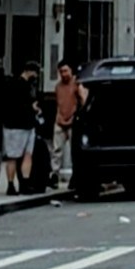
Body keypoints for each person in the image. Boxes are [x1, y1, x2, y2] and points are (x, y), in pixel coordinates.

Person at [49, 59, 88, 195]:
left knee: (74, 151)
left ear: (71, 71)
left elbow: (83, 100)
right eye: (61, 72)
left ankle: (76, 176)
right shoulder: (58, 87)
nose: (63, 74)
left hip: (73, 121)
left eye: (65, 71)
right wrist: (58, 117)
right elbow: (58, 103)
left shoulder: (77, 83)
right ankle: (54, 175)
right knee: (56, 150)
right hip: (60, 120)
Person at [1, 64, 39, 196]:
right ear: (30, 72)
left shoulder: (10, 85)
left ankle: (11, 185)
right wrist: (33, 108)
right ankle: (24, 184)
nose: (36, 76)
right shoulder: (25, 87)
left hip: (13, 125)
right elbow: (26, 105)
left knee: (13, 156)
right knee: (26, 155)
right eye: (35, 73)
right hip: (22, 124)